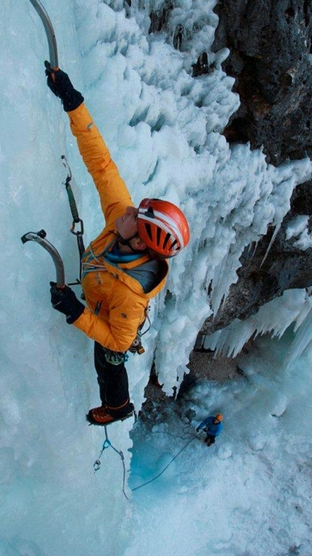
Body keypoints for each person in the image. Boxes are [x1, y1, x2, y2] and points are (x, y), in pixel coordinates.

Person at [44, 62, 190, 426]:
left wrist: (75, 312)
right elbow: (102, 165)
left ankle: (117, 407)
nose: (126, 210)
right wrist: (73, 102)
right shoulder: (123, 223)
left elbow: (118, 341)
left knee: (108, 363)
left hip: (112, 315)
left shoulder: (130, 296)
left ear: (141, 238)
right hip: (101, 284)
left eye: (133, 216)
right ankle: (117, 403)